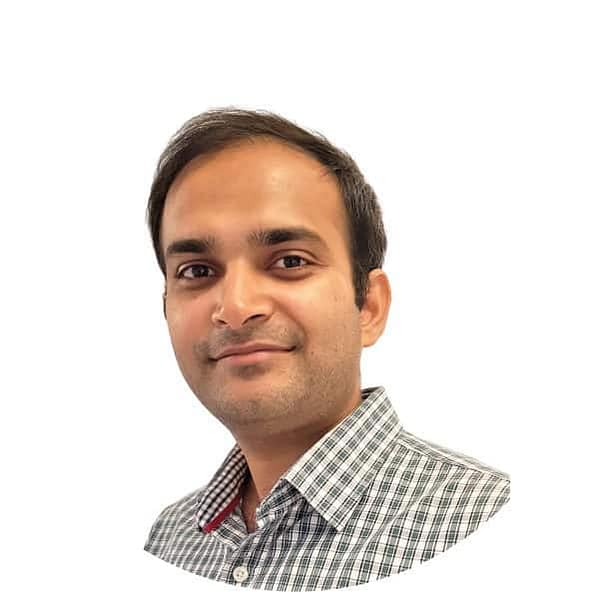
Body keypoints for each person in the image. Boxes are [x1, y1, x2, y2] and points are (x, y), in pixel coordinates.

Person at [143, 108, 510, 590]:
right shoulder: (169, 540)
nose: (235, 308)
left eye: (289, 261)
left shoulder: (489, 521)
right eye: (197, 271)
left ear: (369, 307)